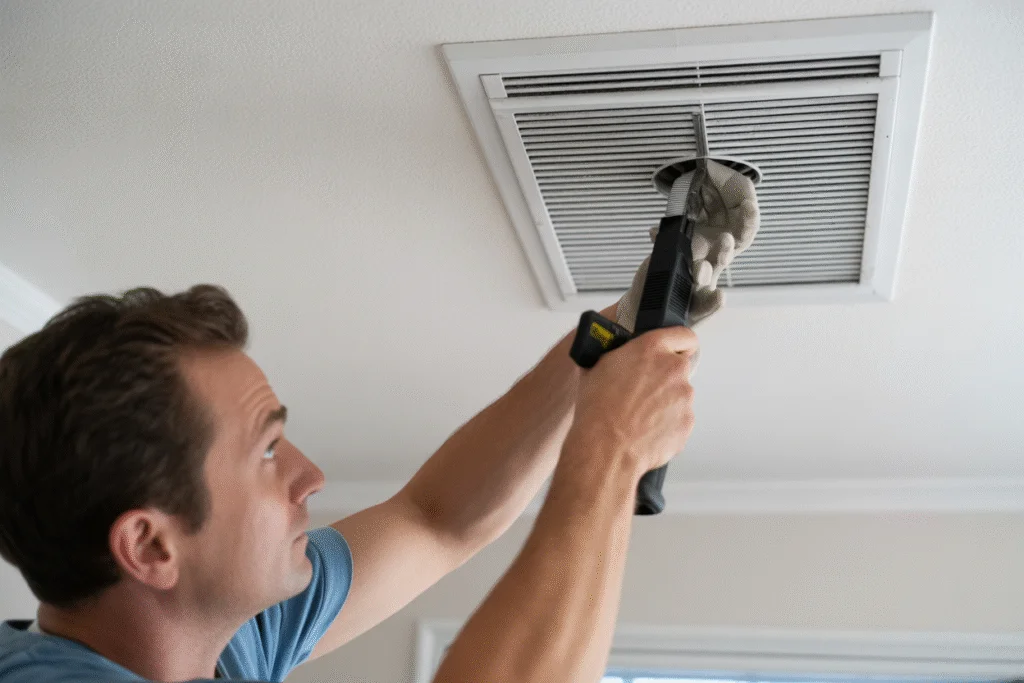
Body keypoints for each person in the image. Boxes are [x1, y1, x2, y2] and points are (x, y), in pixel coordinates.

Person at [0, 162, 756, 683]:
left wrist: (615, 333)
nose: (310, 476)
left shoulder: (222, 642)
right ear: (150, 544)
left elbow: (435, 520)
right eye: (266, 452)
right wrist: (610, 451)